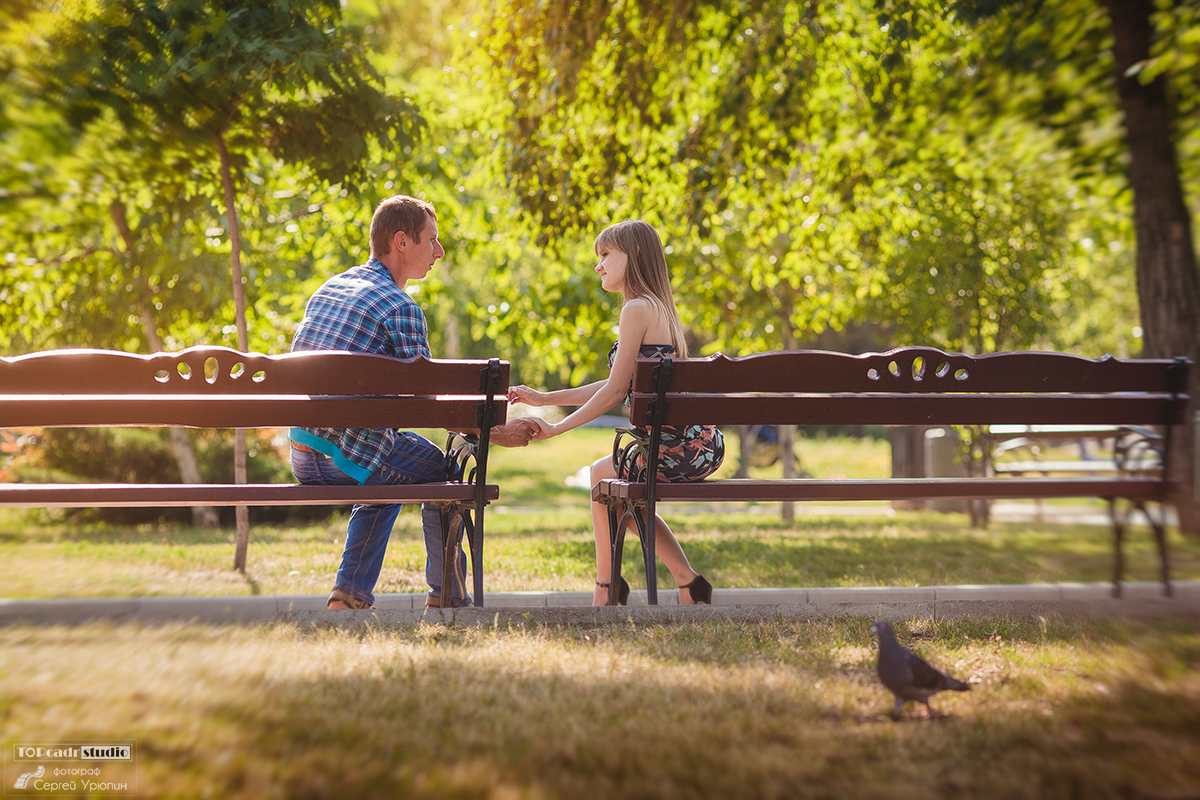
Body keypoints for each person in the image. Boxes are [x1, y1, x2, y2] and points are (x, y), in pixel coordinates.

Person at [290, 194, 537, 610]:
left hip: (303, 452)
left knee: (388, 471)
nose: (439, 252)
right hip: (350, 455)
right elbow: (429, 407)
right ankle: (447, 595)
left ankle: (348, 596)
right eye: (432, 240)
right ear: (401, 242)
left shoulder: (330, 288)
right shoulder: (401, 308)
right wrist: (497, 433)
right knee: (442, 471)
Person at [508, 220, 723, 605]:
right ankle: (688, 583)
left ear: (635, 254)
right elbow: (616, 382)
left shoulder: (636, 309)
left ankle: (607, 587)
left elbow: (614, 391)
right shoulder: (659, 309)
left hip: (676, 449)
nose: (599, 265)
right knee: (615, 485)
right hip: (701, 443)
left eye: (606, 254)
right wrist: (543, 398)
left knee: (600, 476)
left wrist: (556, 428)